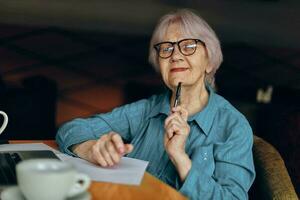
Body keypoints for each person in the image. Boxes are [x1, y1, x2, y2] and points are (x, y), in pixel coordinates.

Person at [56, 9, 255, 199]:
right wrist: (91, 149)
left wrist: (181, 159)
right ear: (160, 66)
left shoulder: (233, 127)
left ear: (210, 62)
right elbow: (71, 129)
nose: (175, 56)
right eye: (166, 49)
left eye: (189, 46)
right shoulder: (145, 110)